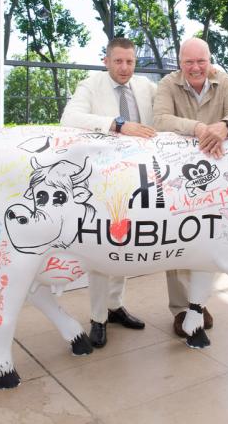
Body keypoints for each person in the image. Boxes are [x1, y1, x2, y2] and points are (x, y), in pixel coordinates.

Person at [61, 37, 156, 348]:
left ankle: (115, 307)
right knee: (103, 253)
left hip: (137, 182)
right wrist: (117, 124)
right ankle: (98, 317)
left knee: (126, 245)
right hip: (101, 183)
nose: (124, 68)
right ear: (106, 60)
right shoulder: (90, 85)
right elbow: (69, 119)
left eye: (129, 61)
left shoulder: (146, 87)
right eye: (118, 61)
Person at [153, 37, 228, 337]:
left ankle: (199, 302)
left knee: (210, 237)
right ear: (179, 63)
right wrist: (197, 128)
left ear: (209, 60)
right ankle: (181, 308)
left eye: (201, 61)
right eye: (188, 62)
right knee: (179, 237)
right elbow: (159, 120)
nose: (195, 67)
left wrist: (225, 126)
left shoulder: (224, 80)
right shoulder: (168, 83)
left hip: (217, 176)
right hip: (178, 175)